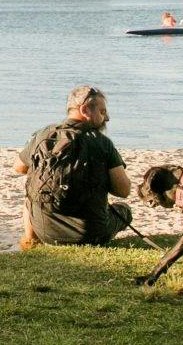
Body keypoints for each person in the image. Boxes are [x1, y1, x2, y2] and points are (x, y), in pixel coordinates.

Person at [14, 84, 133, 248]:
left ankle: (30, 240)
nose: (107, 118)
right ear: (85, 110)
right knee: (125, 210)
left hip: (45, 232)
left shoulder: (43, 135)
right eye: (102, 112)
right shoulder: (102, 143)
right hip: (89, 235)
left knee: (31, 189)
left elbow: (19, 167)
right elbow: (123, 190)